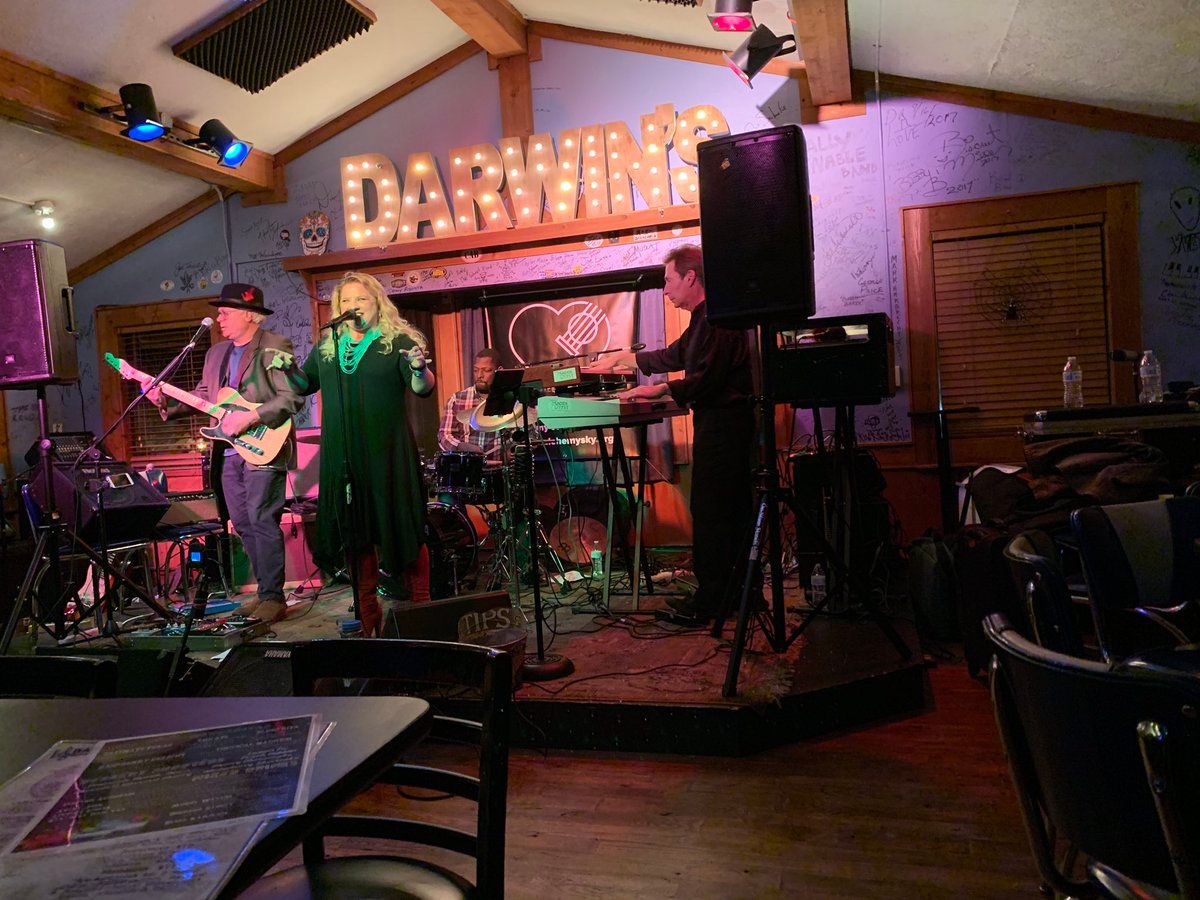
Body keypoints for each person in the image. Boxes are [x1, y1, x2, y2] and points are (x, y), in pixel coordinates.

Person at [144, 283, 301, 623]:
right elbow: (205, 396)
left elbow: (291, 397)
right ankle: (265, 592)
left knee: (262, 519)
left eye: (226, 312)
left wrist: (250, 417)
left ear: (250, 315)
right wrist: (165, 401)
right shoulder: (215, 353)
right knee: (242, 522)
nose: (219, 318)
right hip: (228, 451)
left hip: (264, 445)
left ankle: (274, 598)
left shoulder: (274, 346)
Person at [295, 272, 437, 637]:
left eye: (361, 299)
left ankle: (422, 609)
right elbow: (303, 384)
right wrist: (285, 371)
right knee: (356, 534)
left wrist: (420, 369)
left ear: (377, 304)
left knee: (404, 527)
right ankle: (367, 614)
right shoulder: (328, 348)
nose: (353, 307)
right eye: (346, 301)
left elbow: (422, 387)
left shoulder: (397, 342)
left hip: (387, 454)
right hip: (344, 457)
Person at [618, 244, 755, 623]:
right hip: (720, 424)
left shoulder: (720, 319)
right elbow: (676, 355)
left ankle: (712, 601)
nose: (665, 290)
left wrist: (661, 389)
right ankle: (736, 595)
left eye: (668, 280)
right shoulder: (703, 319)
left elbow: (708, 378)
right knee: (725, 510)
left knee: (712, 512)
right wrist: (628, 360)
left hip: (727, 425)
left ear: (690, 277)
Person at [436, 347, 502, 456]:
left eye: (486, 370)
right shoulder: (457, 399)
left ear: (499, 371)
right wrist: (460, 446)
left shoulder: (511, 398)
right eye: (476, 370)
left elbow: (525, 435)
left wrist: (513, 450)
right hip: (469, 464)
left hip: (501, 464)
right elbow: (444, 435)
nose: (479, 375)